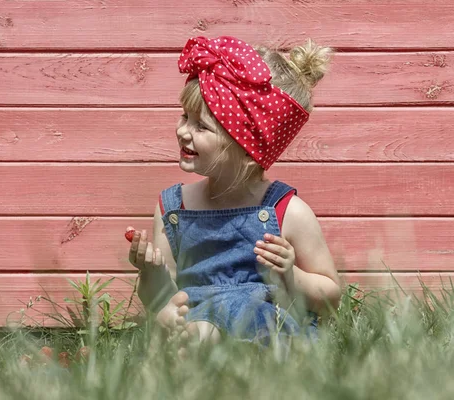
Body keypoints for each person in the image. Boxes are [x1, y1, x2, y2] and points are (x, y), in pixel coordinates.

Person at [127, 35, 341, 353]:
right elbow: (167, 300)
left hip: (272, 334)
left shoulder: (288, 212)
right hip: (201, 323)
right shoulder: (173, 208)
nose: (183, 131)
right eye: (185, 116)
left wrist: (290, 275)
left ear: (248, 148)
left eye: (201, 126)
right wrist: (152, 274)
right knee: (199, 333)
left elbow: (331, 299)